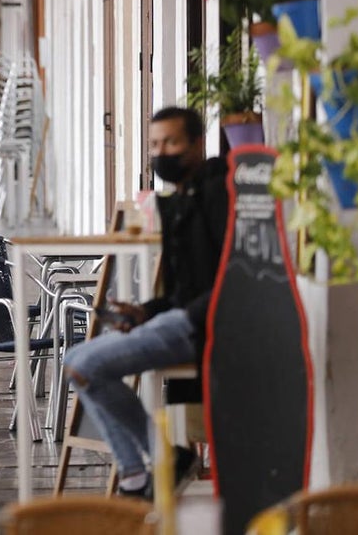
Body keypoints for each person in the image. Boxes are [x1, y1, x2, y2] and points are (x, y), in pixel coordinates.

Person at [62, 107, 228, 499]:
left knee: (86, 363)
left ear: (197, 143)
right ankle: (136, 477)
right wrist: (145, 313)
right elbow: (177, 289)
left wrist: (184, 315)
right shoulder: (174, 204)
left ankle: (162, 459)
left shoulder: (217, 192)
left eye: (172, 142)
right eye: (154, 144)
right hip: (176, 318)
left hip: (204, 324)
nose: (162, 152)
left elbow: (233, 270)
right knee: (75, 363)